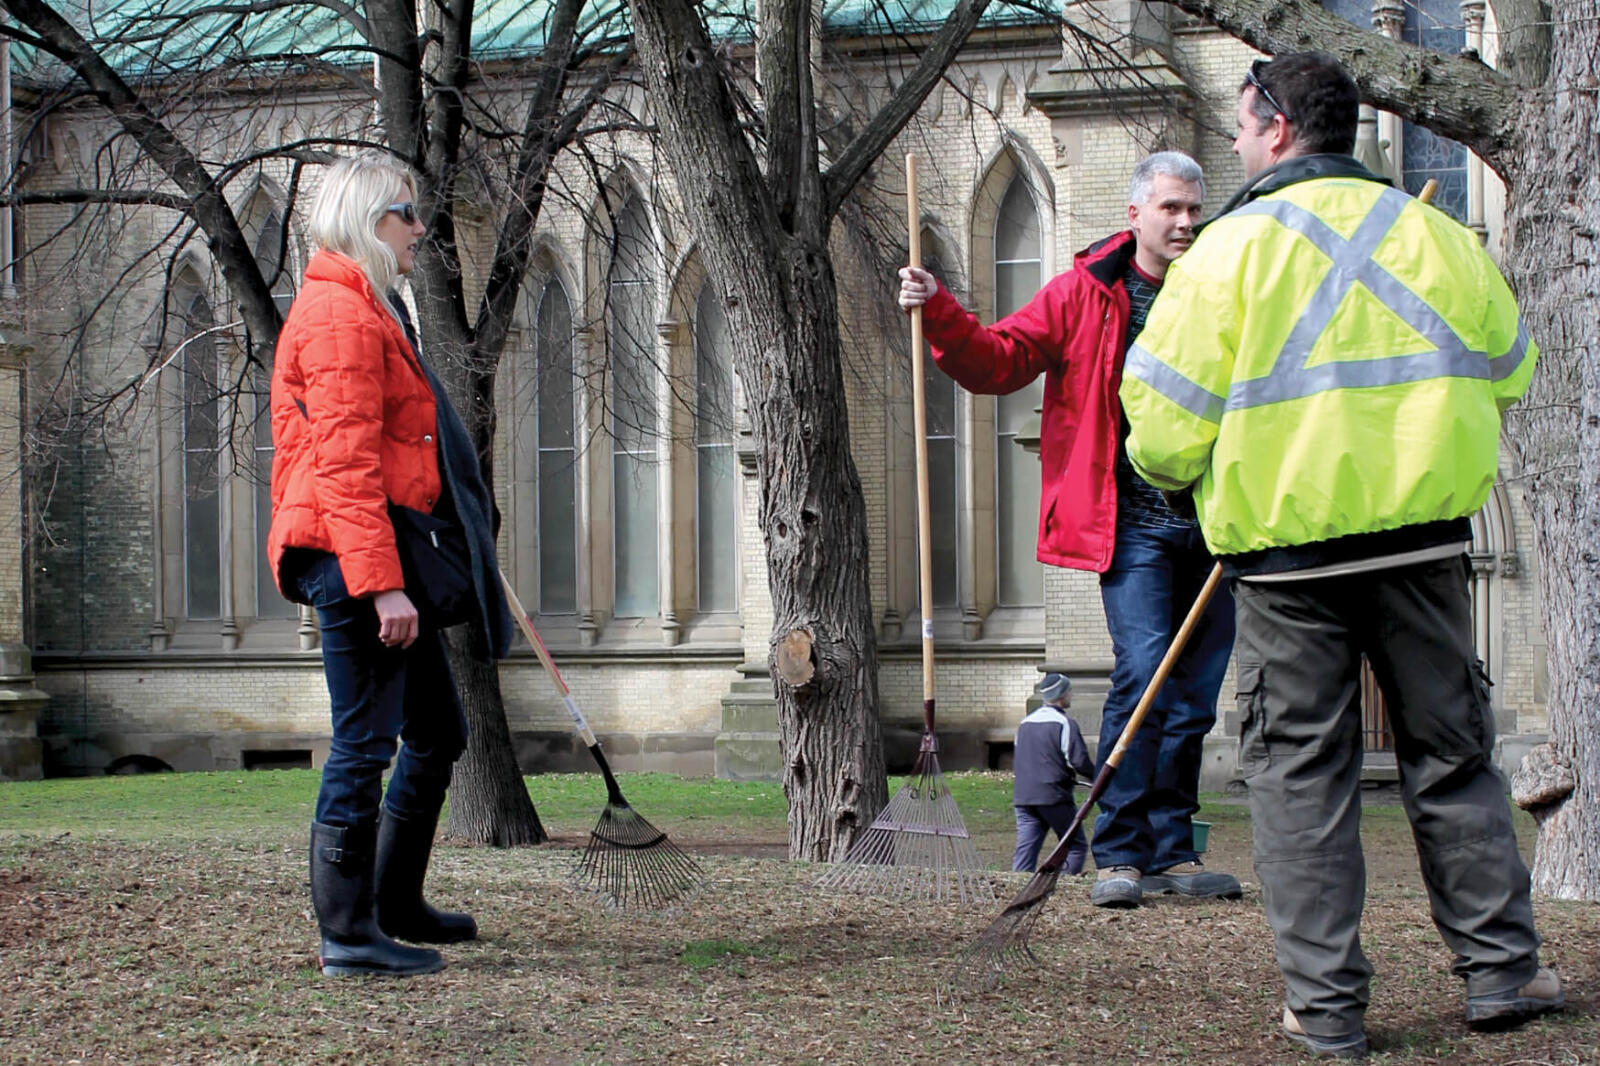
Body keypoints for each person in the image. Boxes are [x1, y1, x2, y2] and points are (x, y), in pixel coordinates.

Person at [1120, 52, 1560, 1058]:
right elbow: (1509, 368)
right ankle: (1500, 969)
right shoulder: (1439, 235)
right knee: (1452, 757)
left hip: (1286, 560)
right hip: (1424, 544)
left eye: (1239, 124)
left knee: (1298, 776)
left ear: (1275, 127)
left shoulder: (1222, 257)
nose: (1233, 143)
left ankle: (1324, 1007)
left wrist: (1189, 473)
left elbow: (1163, 432)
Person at [898, 151, 1242, 909]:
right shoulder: (1085, 294)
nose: (1185, 223)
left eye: (1194, 210)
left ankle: (1172, 851)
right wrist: (942, 309)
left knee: (1194, 696)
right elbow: (997, 360)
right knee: (1146, 674)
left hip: (1220, 521)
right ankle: (1119, 852)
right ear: (1136, 215)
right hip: (1134, 526)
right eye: (1170, 209)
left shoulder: (1225, 289)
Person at [268, 152, 513, 977]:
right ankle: (348, 935)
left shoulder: (368, 309)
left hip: (376, 556)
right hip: (354, 565)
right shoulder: (338, 315)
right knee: (363, 745)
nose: (418, 229)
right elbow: (344, 467)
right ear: (371, 219)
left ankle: (394, 902)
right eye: (406, 214)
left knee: (438, 732)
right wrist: (383, 586)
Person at [1012, 673, 1095, 873]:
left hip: (1023, 796)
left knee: (1026, 847)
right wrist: (1098, 777)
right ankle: (1065, 884)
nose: (1071, 695)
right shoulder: (1064, 723)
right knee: (1074, 845)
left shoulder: (1025, 724)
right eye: (1069, 691)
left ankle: (1017, 884)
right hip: (1053, 795)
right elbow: (1078, 760)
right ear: (1062, 694)